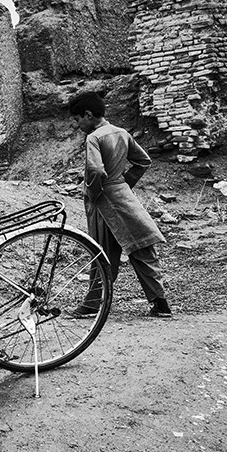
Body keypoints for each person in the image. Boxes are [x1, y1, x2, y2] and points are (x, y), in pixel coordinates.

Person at [68, 91, 172, 318]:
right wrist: (124, 184)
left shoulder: (93, 138)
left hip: (104, 204)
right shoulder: (122, 132)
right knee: (142, 248)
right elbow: (143, 161)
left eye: (77, 120)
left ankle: (92, 304)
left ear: (88, 115)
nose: (77, 125)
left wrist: (94, 193)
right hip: (125, 199)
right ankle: (160, 304)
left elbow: (95, 170)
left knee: (102, 253)